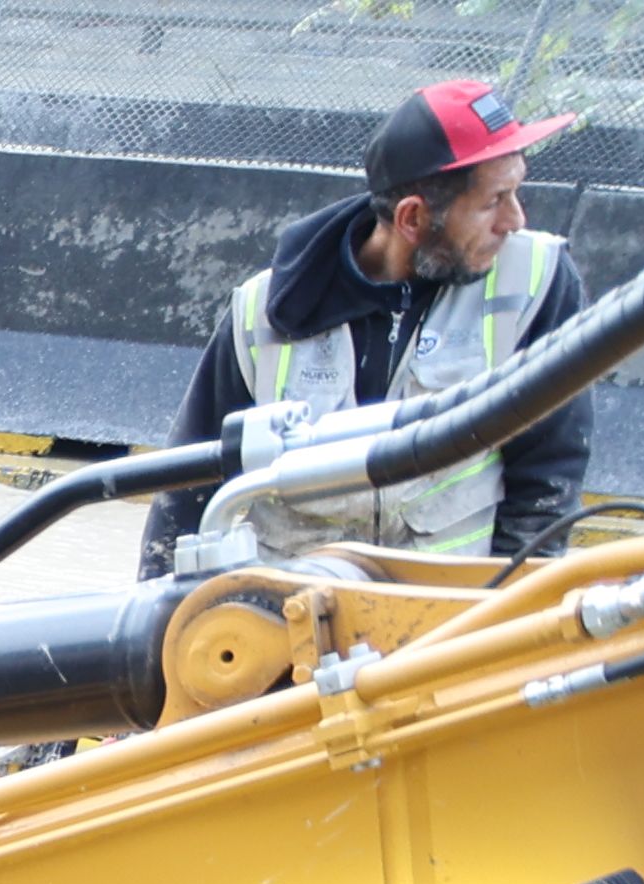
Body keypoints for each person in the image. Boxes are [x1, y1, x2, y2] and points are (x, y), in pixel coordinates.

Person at [139, 81, 596, 575]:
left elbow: (548, 472)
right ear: (413, 217)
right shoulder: (262, 311)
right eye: (494, 201)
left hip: (444, 612)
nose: (514, 219)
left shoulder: (534, 282)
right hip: (294, 617)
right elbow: (189, 485)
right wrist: (160, 625)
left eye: (516, 192)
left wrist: (507, 608)